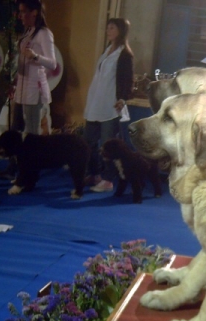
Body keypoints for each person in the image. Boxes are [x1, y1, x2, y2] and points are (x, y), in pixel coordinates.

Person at [83, 18, 134, 193]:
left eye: (112, 28)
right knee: (89, 140)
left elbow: (127, 80)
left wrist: (123, 98)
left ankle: (108, 179)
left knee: (107, 144)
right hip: (96, 102)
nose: (108, 30)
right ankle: (94, 173)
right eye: (107, 27)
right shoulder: (107, 50)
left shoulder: (124, 54)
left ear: (120, 30)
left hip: (110, 105)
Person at [12, 0, 57, 135]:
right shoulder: (29, 31)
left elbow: (52, 63)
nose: (20, 16)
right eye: (19, 12)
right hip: (21, 87)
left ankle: (33, 155)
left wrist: (35, 56)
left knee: (32, 130)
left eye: (23, 12)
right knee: (17, 127)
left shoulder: (44, 33)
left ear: (34, 13)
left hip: (34, 89)